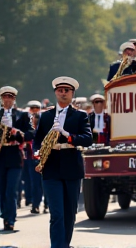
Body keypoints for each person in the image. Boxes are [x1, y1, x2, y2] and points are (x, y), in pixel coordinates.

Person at [33, 76, 92, 248]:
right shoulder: (46, 116)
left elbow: (88, 139)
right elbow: (37, 139)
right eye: (60, 90)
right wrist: (38, 152)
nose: (63, 93)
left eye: (67, 90)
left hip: (71, 165)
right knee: (57, 213)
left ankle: (64, 244)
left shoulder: (80, 115)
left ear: (72, 94)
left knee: (69, 212)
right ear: (55, 93)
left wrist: (67, 134)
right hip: (51, 166)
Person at [0, 86, 34, 231]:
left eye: (10, 97)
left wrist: (19, 135)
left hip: (15, 155)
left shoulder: (22, 115)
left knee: (11, 189)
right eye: (5, 97)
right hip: (1, 155)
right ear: (2, 99)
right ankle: (5, 213)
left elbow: (32, 132)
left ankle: (10, 219)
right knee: (1, 189)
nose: (7, 100)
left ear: (14, 99)